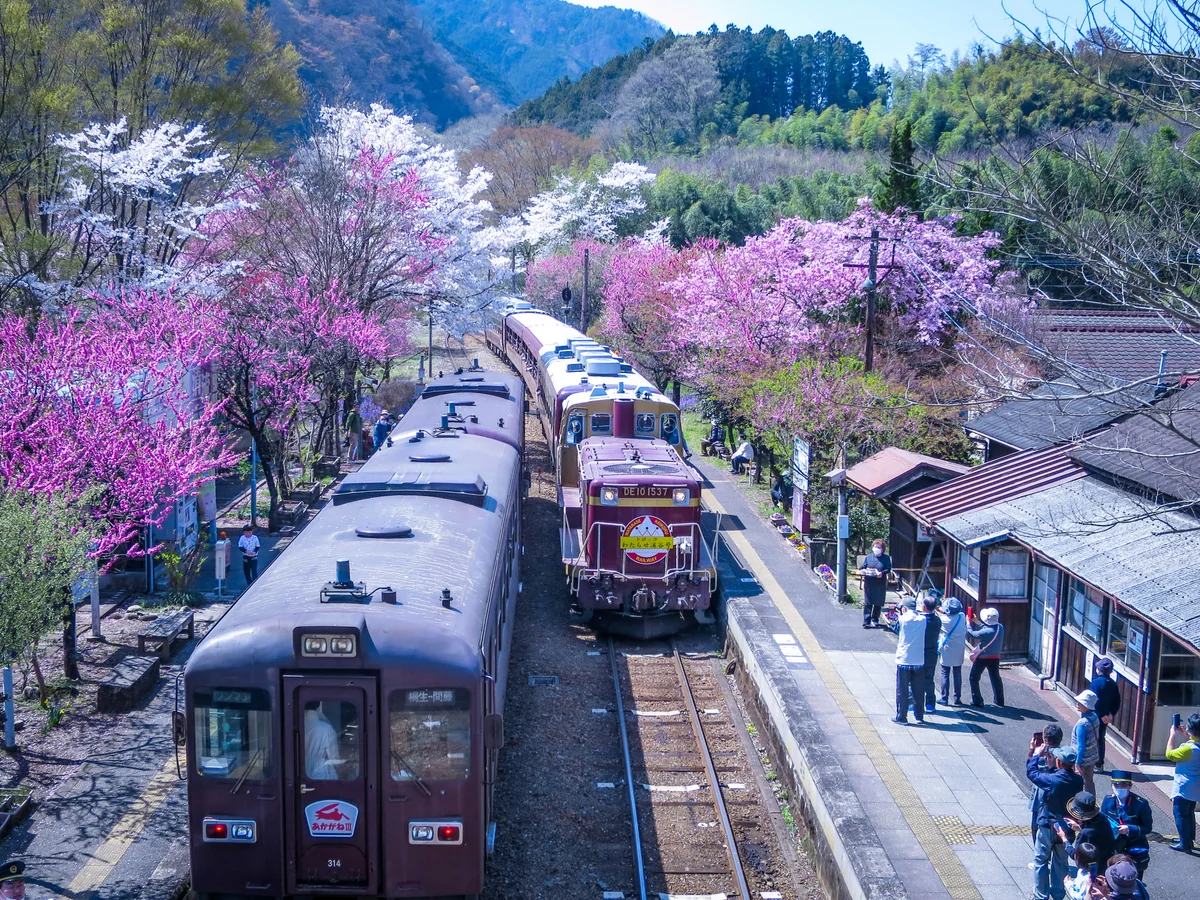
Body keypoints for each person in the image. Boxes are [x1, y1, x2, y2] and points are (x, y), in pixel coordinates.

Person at [1028, 745, 1083, 900]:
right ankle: (1058, 895)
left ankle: (1040, 896)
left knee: (1041, 860)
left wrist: (1036, 755)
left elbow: (1032, 773)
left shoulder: (1052, 780)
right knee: (1061, 862)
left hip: (1048, 826)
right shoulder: (1078, 780)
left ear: (1059, 762)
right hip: (1067, 828)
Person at [1100, 771, 1152, 876]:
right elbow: (1103, 820)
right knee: (1114, 876)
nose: (1119, 788)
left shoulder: (1141, 804)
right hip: (1115, 846)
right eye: (1116, 785)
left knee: (1134, 878)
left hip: (1134, 847)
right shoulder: (1108, 800)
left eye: (1123, 785)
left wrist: (1129, 829)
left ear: (1130, 786)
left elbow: (1147, 828)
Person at [1165, 711, 1200, 853]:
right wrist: (1187, 735)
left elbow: (1170, 754)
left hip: (1183, 786)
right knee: (1189, 812)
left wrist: (1172, 735)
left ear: (1191, 730)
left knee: (1180, 814)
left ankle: (1184, 844)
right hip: (1195, 786)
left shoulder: (1187, 749)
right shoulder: (1194, 746)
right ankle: (1188, 839)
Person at [1059, 791, 1116, 874]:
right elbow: (1095, 833)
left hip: (1095, 871)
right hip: (1108, 862)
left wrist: (1064, 839)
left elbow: (1077, 857)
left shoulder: (1085, 834)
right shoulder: (1102, 817)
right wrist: (1080, 828)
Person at [892, 596, 927, 725]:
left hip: (904, 659)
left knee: (902, 689)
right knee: (918, 690)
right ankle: (919, 717)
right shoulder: (923, 620)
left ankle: (902, 717)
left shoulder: (901, 619)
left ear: (904, 608)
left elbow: (895, 629)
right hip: (919, 659)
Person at [1030, 724, 1066, 839]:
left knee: (1037, 827)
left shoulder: (1041, 755)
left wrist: (1033, 751)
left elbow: (1030, 769)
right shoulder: (1064, 755)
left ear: (1045, 739)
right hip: (1059, 799)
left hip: (1041, 796)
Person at [967, 606, 1005, 708]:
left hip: (983, 658)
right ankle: (999, 700)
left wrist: (968, 623)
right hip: (995, 657)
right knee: (995, 678)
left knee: (973, 678)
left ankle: (978, 701)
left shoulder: (986, 632)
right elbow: (987, 629)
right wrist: (976, 622)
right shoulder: (1000, 627)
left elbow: (972, 634)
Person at [937, 597, 968, 705]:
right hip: (959, 648)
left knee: (945, 673)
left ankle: (944, 698)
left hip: (947, 649)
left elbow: (944, 614)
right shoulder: (962, 617)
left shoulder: (943, 620)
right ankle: (957, 698)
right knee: (957, 673)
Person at [1072, 690, 1102, 796]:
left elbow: (1081, 746)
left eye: (1081, 703)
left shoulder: (1082, 724)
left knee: (1079, 783)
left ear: (1087, 706)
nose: (1078, 704)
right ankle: (1091, 804)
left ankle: (1080, 805)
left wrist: (1077, 763)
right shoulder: (1095, 717)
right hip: (1092, 756)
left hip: (1082, 759)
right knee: (1089, 782)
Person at [304, 702, 342, 780]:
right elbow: (333, 758)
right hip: (321, 774)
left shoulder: (293, 725)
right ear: (318, 705)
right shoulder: (326, 728)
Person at [860, 539, 892, 629]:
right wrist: (861, 570)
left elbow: (888, 568)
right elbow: (864, 566)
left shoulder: (886, 558)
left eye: (878, 547)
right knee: (868, 602)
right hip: (869, 582)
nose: (876, 548)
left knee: (878, 602)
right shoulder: (869, 557)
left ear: (882, 549)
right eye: (875, 547)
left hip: (880, 582)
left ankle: (875, 619)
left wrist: (882, 573)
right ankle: (866, 621)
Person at [921, 595, 941, 713]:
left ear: (924, 607)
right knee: (929, 679)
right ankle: (930, 704)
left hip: (921, 652)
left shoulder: (922, 621)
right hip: (932, 653)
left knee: (916, 678)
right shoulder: (938, 620)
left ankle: (915, 703)